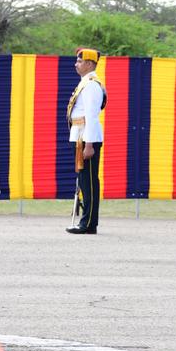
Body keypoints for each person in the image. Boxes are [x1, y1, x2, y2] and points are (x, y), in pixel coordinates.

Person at [66, 47, 106, 235]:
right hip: (80, 135)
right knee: (84, 181)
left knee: (89, 182)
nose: (76, 64)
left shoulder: (91, 84)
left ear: (89, 64)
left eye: (80, 61)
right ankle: (87, 221)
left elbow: (91, 115)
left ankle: (89, 223)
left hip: (86, 138)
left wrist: (89, 144)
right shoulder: (85, 83)